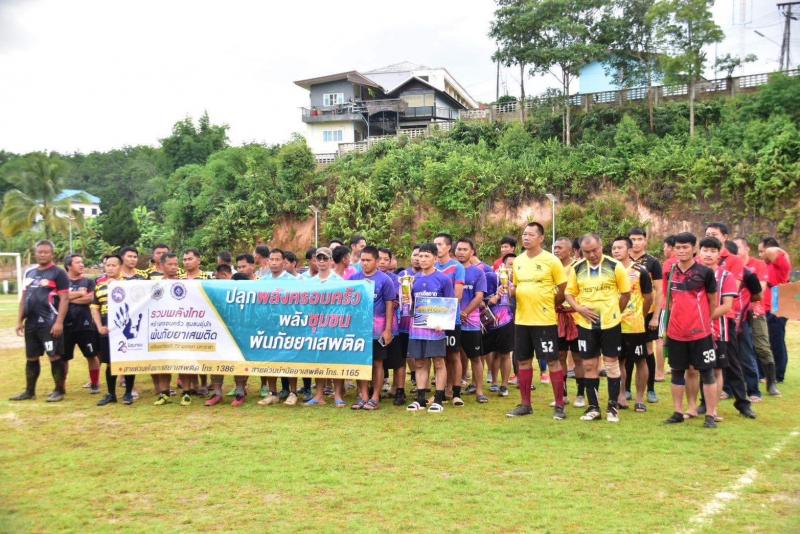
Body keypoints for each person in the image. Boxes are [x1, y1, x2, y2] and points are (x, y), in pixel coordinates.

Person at [565, 233, 631, 423]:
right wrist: (578, 308)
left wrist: (614, 312)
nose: (592, 255)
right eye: (587, 252)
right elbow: (569, 293)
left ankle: (612, 407)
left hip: (610, 324)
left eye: (595, 250)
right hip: (586, 325)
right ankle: (593, 407)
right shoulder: (577, 268)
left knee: (611, 364)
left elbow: (625, 293)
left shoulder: (615, 266)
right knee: (588, 365)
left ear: (601, 246)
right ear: (581, 251)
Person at [505, 222, 568, 420]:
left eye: (531, 234)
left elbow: (563, 289)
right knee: (523, 360)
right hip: (522, 320)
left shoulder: (552, 261)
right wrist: (512, 291)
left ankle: (559, 405)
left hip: (544, 321)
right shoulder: (518, 261)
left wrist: (550, 303)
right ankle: (525, 404)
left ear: (541, 238)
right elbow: (516, 287)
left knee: (552, 361)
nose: (526, 237)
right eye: (524, 234)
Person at [662, 232, 720, 429]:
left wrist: (705, 322)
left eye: (685, 247)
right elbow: (669, 301)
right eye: (678, 247)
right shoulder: (670, 271)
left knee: (707, 373)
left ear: (694, 249)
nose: (681, 251)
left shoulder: (705, 273)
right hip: (676, 333)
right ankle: (678, 412)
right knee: (677, 372)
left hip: (701, 333)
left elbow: (713, 301)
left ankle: (710, 414)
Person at [11, 240, 70, 402]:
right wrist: (19, 321)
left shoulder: (58, 273)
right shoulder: (29, 273)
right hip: (31, 323)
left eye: (46, 252)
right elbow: (24, 298)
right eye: (39, 252)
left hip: (49, 323)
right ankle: (29, 392)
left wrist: (59, 322)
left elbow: (64, 299)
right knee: (31, 357)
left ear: (52, 254)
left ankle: (59, 390)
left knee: (54, 356)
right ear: (35, 253)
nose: (42, 254)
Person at [697, 237, 741, 423]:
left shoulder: (726, 276)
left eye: (712, 251)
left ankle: (713, 409)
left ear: (719, 254)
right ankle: (694, 407)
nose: (708, 254)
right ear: (699, 252)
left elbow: (728, 305)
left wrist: (705, 318)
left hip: (717, 330)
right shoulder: (693, 273)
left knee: (716, 370)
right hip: (694, 330)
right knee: (693, 369)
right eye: (705, 250)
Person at [405, 243, 454, 413]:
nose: (422, 259)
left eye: (427, 256)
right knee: (419, 363)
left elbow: (450, 303)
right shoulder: (412, 280)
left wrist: (444, 322)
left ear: (435, 258)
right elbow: (410, 305)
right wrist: (406, 300)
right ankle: (420, 399)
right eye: (420, 256)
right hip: (417, 329)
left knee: (439, 362)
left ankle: (439, 399)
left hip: (436, 330)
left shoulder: (443, 279)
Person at [350, 246, 396, 410]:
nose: (364, 263)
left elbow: (390, 305)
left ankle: (375, 396)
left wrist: (388, 329)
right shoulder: (354, 279)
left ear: (376, 261)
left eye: (368, 260)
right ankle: (363, 395)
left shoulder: (385, 280)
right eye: (362, 260)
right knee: (361, 362)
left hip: (378, 330)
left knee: (378, 363)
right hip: (359, 330)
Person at [733, 237, 780, 397]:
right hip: (736, 310)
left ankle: (771, 382)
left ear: (747, 249)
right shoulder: (731, 265)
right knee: (738, 348)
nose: (736, 252)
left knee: (762, 345)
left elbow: (760, 289)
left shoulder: (758, 264)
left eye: (738, 248)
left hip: (755, 309)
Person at [611, 237, 653, 413]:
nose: (616, 251)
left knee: (640, 360)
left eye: (620, 248)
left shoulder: (640, 271)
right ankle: (621, 395)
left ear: (629, 250)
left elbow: (648, 297)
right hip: (614, 323)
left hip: (635, 325)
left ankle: (640, 399)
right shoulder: (609, 270)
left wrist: (640, 316)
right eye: (613, 248)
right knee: (618, 361)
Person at [258, 248, 300, 407]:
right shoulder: (262, 281)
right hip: (269, 326)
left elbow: (299, 304)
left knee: (290, 359)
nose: (274, 263)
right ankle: (272, 393)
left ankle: (293, 392)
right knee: (269, 358)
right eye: (272, 259)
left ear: (283, 262)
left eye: (277, 259)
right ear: (267, 261)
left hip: (288, 326)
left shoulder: (293, 282)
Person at [305, 247, 347, 407]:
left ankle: (338, 395)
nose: (322, 261)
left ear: (331, 261)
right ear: (315, 261)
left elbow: (344, 306)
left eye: (325, 258)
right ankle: (319, 395)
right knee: (318, 361)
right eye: (319, 258)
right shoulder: (310, 282)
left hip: (334, 327)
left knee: (337, 361)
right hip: (316, 327)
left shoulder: (339, 282)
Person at [628, 228, 662, 404]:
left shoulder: (653, 262)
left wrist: (655, 317)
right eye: (632, 239)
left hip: (647, 313)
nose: (636, 242)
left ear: (645, 241)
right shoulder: (622, 261)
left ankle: (651, 389)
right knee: (626, 351)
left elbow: (659, 291)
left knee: (648, 350)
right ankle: (626, 389)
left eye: (639, 239)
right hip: (627, 314)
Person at [433, 233, 466, 405]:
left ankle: (456, 392)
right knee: (439, 356)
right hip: (433, 321)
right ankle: (442, 390)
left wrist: (443, 315)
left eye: (440, 244)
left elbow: (458, 295)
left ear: (448, 247)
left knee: (454, 355)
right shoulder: (431, 266)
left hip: (451, 320)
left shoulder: (457, 267)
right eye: (435, 244)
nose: (436, 247)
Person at [454, 238, 488, 403]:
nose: (461, 252)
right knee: (453, 357)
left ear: (472, 252)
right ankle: (453, 389)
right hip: (451, 321)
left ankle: (479, 391)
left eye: (465, 249)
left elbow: (479, 296)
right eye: (459, 249)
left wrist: (465, 312)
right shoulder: (450, 270)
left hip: (471, 322)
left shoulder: (478, 272)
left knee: (475, 357)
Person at [92, 254, 127, 406]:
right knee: (109, 362)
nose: (110, 268)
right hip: (106, 326)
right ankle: (111, 394)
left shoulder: (129, 284)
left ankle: (128, 393)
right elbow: (95, 308)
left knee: (127, 360)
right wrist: (99, 326)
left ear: (120, 267)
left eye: (114, 265)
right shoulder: (99, 286)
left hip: (124, 326)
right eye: (108, 265)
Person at [63, 254, 100, 394]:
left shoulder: (88, 282)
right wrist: (80, 293)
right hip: (65, 325)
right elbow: (59, 297)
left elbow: (90, 299)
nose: (82, 265)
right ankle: (61, 387)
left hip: (85, 325)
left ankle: (95, 384)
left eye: (82, 262)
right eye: (78, 262)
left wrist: (68, 298)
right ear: (69, 266)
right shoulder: (62, 281)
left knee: (91, 355)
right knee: (63, 358)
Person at [179, 248, 210, 400]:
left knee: (202, 354)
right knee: (186, 354)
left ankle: (203, 383)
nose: (186, 262)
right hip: (182, 321)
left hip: (202, 321)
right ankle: (192, 384)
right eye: (184, 259)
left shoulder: (208, 278)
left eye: (190, 259)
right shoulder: (178, 278)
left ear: (199, 260)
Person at [759, 237, 792, 383]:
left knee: (776, 342)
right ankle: (765, 373)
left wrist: (768, 252)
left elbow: (774, 250)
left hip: (777, 309)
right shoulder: (767, 266)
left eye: (762, 251)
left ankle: (778, 375)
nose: (760, 255)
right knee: (764, 343)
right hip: (765, 308)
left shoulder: (781, 263)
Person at [553, 237, 580, 406]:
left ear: (570, 250)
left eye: (560, 248)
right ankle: (562, 394)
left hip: (576, 317)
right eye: (555, 247)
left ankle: (581, 393)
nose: (556, 250)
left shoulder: (578, 266)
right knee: (559, 355)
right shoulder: (551, 266)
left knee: (578, 356)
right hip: (557, 317)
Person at [153, 253, 183, 406]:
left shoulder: (185, 284)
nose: (173, 267)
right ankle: (164, 392)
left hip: (182, 328)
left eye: (176, 264)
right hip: (163, 329)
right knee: (164, 361)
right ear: (162, 266)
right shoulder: (155, 285)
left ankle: (186, 392)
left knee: (183, 361)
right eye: (170, 264)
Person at [378, 247, 406, 405]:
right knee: (376, 362)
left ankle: (400, 391)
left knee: (398, 362)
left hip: (392, 328)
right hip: (371, 329)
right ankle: (374, 390)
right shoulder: (365, 278)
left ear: (390, 262)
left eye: (386, 259)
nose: (382, 262)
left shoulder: (396, 280)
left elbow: (396, 302)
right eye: (379, 258)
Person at [485, 253, 515, 397]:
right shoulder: (492, 277)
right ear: (503, 265)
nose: (512, 268)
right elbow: (484, 298)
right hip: (492, 321)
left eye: (515, 266)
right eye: (510, 265)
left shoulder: (518, 281)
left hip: (509, 320)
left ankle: (504, 385)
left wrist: (511, 288)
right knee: (494, 353)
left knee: (505, 353)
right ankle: (494, 382)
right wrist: (495, 296)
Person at [206, 264, 233, 406]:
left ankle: (240, 391)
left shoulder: (239, 287)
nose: (216, 280)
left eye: (217, 277)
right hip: (217, 330)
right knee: (215, 359)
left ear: (223, 275)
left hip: (236, 330)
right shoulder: (214, 290)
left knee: (239, 359)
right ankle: (217, 393)